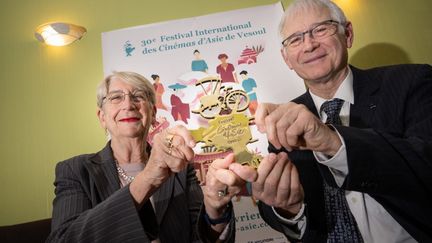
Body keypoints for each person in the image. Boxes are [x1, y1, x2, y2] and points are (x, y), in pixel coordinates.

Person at [251, 0, 432, 242]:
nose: (309, 45)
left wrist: (331, 140)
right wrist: (288, 209)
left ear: (347, 34)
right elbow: (277, 209)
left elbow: (425, 162)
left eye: (321, 29)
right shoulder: (284, 117)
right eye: (295, 39)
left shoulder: (410, 82)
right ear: (287, 59)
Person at [46, 71, 256, 242]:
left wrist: (214, 206)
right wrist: (148, 178)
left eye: (138, 96)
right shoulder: (75, 171)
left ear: (153, 113)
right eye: (116, 97)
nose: (128, 105)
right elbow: (63, 239)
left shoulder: (181, 169)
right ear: (102, 117)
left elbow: (200, 238)